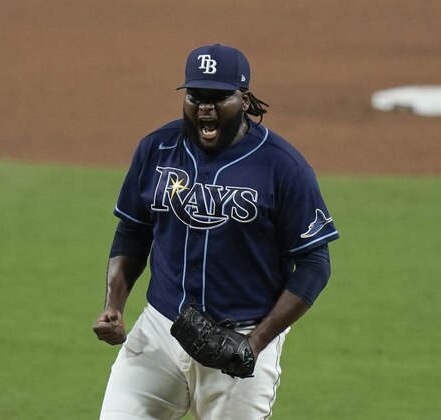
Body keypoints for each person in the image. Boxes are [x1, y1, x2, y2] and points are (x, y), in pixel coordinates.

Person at [92, 44, 339, 419]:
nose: (205, 107)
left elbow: (315, 262)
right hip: (160, 330)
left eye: (219, 97)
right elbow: (133, 230)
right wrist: (114, 304)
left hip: (240, 340)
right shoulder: (157, 148)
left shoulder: (282, 166)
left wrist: (255, 343)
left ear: (244, 98)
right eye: (196, 96)